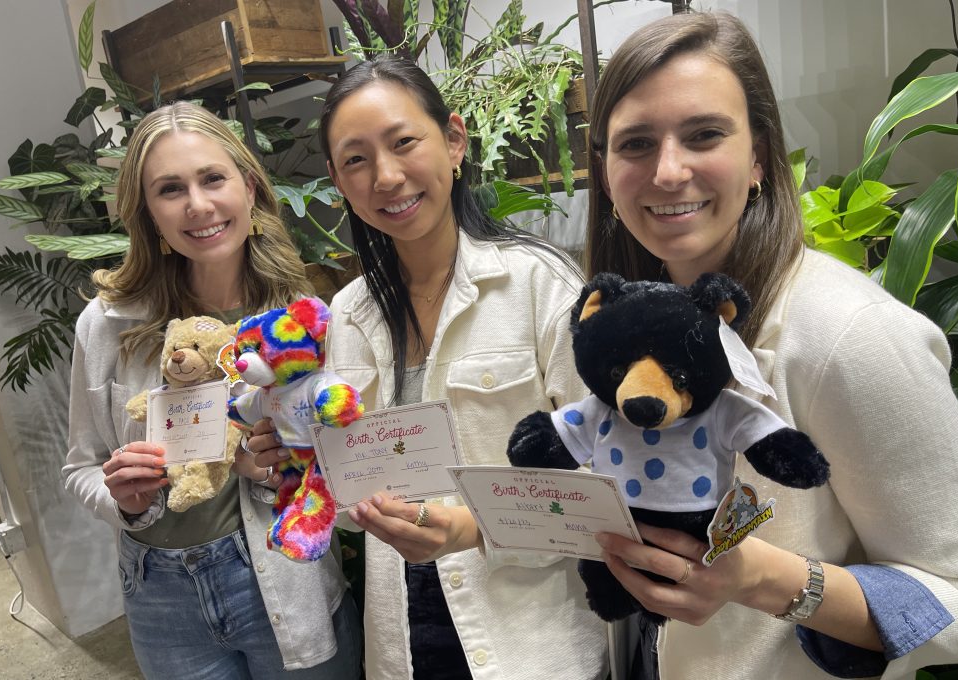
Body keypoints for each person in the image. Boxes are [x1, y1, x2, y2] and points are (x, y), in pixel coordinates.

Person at [584, 11, 958, 680]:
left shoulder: (850, 334)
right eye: (636, 144)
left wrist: (764, 579)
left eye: (704, 134)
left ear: (760, 156)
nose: (669, 171)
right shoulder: (615, 329)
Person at [246, 54, 609, 680]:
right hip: (402, 644)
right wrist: (290, 453)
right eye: (356, 159)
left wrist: (473, 528)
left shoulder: (538, 285)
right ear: (337, 179)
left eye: (404, 142)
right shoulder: (347, 315)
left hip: (529, 640)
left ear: (455, 141)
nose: (386, 177)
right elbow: (342, 465)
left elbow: (605, 485)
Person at [62, 101, 362, 680]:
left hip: (283, 577)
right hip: (160, 593)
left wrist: (277, 466)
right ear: (147, 212)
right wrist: (124, 500)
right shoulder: (108, 326)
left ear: (249, 188)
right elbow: (80, 469)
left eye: (213, 179)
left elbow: (345, 460)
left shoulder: (304, 321)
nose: (198, 206)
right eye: (170, 189)